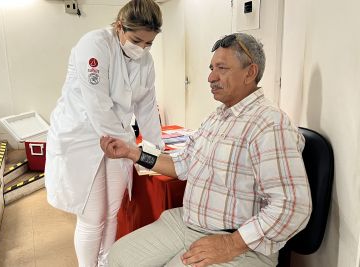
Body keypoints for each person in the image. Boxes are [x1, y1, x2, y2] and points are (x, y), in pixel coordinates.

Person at [100, 33, 312, 267]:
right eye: (212, 68)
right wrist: (133, 153)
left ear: (250, 73)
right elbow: (182, 164)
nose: (211, 77)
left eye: (221, 68)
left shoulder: (269, 125)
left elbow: (294, 206)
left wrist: (232, 243)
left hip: (237, 240)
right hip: (185, 224)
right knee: (119, 257)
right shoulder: (217, 117)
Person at [44, 1, 165, 266]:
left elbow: (146, 106)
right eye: (137, 40)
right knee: (93, 216)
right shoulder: (95, 45)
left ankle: (105, 263)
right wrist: (131, 150)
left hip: (117, 138)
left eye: (149, 44)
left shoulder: (145, 61)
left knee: (112, 213)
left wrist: (157, 151)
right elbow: (97, 105)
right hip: (82, 138)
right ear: (120, 26)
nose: (142, 48)